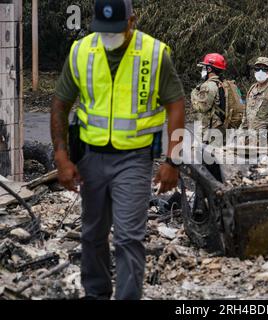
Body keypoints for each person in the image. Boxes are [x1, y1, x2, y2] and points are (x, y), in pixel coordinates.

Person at [50, 0, 185, 300]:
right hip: (90, 158)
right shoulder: (82, 50)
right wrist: (61, 156)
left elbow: (175, 104)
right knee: (93, 235)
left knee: (129, 238)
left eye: (115, 29)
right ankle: (96, 294)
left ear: (131, 21)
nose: (108, 35)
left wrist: (173, 160)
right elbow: (60, 103)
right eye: (102, 29)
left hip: (134, 159)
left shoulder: (154, 53)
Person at [191, 53, 227, 136]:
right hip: (220, 127)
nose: (202, 71)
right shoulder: (223, 83)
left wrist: (194, 93)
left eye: (204, 68)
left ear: (209, 69)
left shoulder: (208, 86)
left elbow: (201, 107)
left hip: (210, 129)